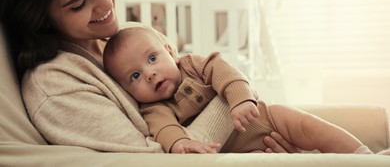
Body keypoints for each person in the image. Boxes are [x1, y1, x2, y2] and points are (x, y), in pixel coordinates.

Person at [0, 0, 250, 153]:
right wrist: (234, 92)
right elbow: (161, 159)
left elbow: (196, 87)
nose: (107, 3)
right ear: (40, 19)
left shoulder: (134, 33)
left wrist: (257, 129)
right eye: (79, 4)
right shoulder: (56, 87)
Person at [103, 26, 375, 154]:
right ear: (127, 91)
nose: (150, 73)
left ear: (170, 51)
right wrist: (181, 143)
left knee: (307, 125)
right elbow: (163, 129)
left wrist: (241, 99)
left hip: (263, 119)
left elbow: (226, 73)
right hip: (238, 152)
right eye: (135, 76)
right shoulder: (154, 108)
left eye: (152, 59)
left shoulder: (194, 65)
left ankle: (362, 156)